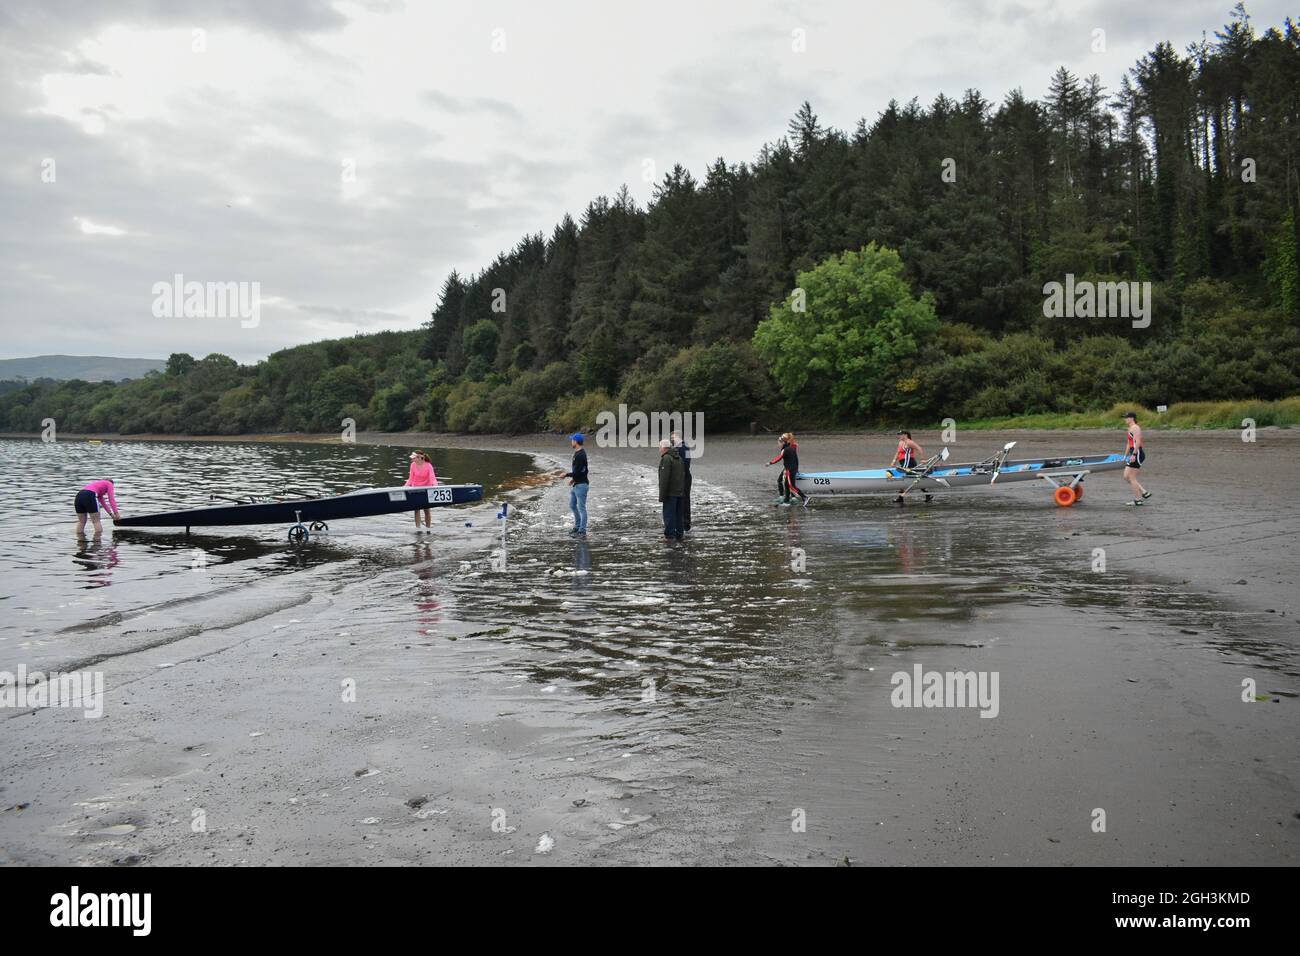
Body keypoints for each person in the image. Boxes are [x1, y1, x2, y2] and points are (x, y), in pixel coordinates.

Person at [1121, 411, 1153, 506]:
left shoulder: (1135, 428)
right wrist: (1125, 456)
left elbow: (1138, 442)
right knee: (1126, 476)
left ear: (1131, 418)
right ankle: (1144, 492)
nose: (1125, 419)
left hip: (1137, 453)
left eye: (1126, 418)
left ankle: (1138, 500)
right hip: (1133, 453)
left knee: (1131, 477)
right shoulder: (1130, 428)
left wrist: (1134, 455)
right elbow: (1128, 443)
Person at [766, 432, 806, 506]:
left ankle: (803, 497)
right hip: (792, 468)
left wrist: (770, 463)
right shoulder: (791, 447)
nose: (778, 444)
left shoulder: (787, 448)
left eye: (779, 442)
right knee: (786, 484)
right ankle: (786, 500)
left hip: (789, 469)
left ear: (784, 442)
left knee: (790, 485)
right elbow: (795, 459)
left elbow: (779, 458)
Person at [658, 438, 685, 539]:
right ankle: (679, 534)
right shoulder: (679, 458)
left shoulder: (666, 459)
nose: (659, 450)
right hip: (679, 491)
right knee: (678, 515)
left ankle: (669, 536)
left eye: (660, 447)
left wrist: (662, 496)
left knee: (669, 515)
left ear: (664, 448)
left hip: (670, 492)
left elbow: (664, 479)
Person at [405, 450, 438, 531]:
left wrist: (436, 487)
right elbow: (410, 479)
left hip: (426, 489)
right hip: (415, 489)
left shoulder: (428, 465)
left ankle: (428, 529)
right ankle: (418, 529)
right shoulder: (412, 465)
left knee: (426, 510)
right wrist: (403, 487)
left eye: (414, 458)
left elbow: (432, 478)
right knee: (416, 509)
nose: (412, 459)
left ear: (420, 458)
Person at [565, 433, 589, 536]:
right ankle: (577, 526)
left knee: (582, 508)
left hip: (582, 485)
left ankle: (582, 531)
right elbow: (582, 470)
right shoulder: (577, 453)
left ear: (576, 441)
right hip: (577, 484)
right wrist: (573, 479)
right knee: (572, 505)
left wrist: (566, 475)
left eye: (572, 440)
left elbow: (580, 472)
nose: (571, 442)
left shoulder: (580, 455)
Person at [671, 429, 692, 534]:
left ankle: (685, 524)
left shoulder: (683, 447)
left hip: (684, 477)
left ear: (678, 437)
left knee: (685, 500)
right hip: (681, 477)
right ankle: (681, 523)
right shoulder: (679, 447)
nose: (672, 438)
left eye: (673, 436)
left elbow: (686, 464)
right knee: (682, 499)